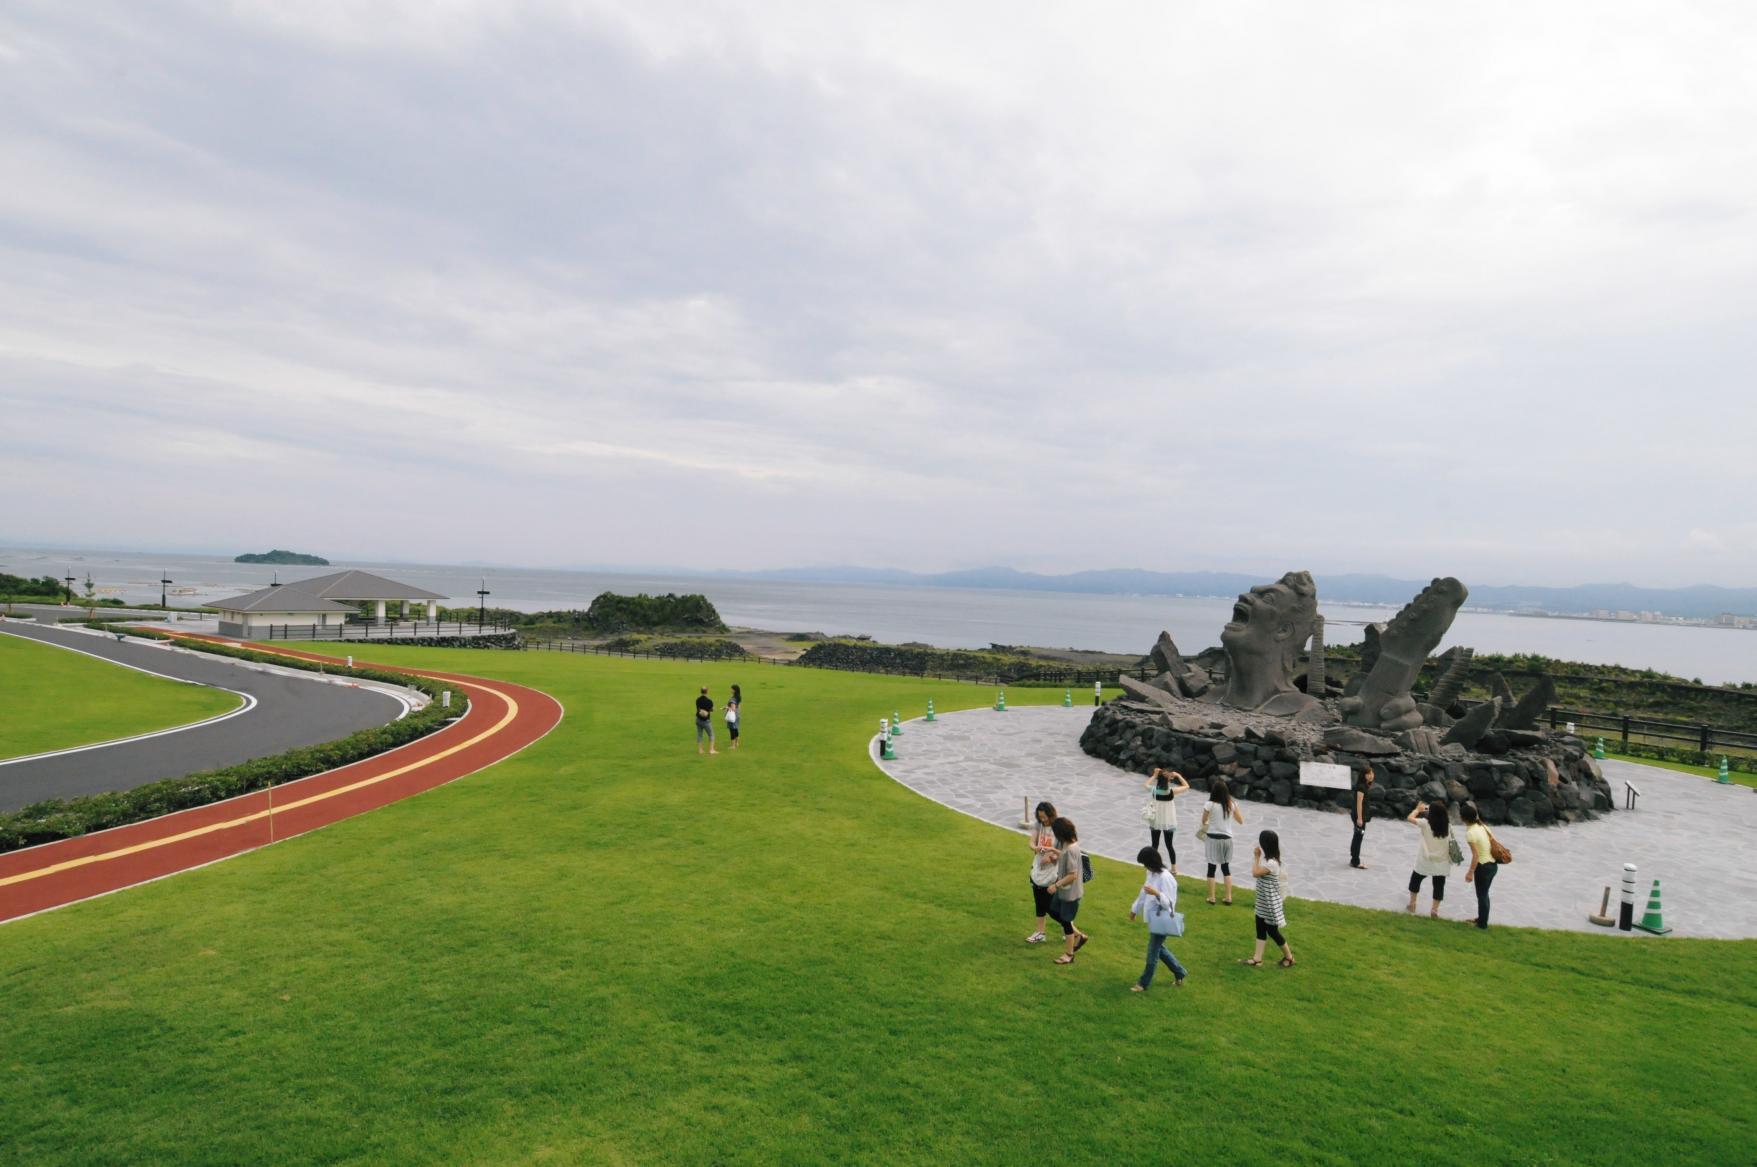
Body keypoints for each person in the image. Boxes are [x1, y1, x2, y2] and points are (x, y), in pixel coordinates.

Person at [1129, 846, 1188, 991]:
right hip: (1154, 919)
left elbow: (1169, 903)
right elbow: (1143, 893)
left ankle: (1143, 983)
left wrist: (1157, 894)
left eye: (1145, 863)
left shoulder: (1166, 878)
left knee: (1152, 952)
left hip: (1162, 918)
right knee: (1159, 949)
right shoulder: (1151, 873)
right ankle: (1179, 972)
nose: (1145, 867)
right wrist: (1134, 909)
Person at [1240, 829, 1295, 968]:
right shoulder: (1270, 861)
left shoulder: (1272, 863)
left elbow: (1255, 873)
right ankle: (1257, 958)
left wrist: (1256, 857)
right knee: (1260, 929)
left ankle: (1289, 957)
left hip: (1270, 904)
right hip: (1263, 902)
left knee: (1273, 931)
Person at [1043, 816, 1088, 965]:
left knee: (1066, 922)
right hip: (1064, 891)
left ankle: (1069, 955)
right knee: (1052, 910)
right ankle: (1079, 935)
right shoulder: (1068, 845)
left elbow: (1072, 875)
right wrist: (1054, 854)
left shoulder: (1070, 850)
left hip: (1070, 893)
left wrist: (1055, 885)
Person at [1405, 799, 1452, 917]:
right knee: (1439, 885)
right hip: (1441, 861)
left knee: (1415, 880)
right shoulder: (1448, 826)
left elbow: (1409, 818)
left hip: (1425, 859)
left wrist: (1417, 810)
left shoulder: (1425, 823)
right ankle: (1434, 910)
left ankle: (1412, 903)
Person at [1201, 779, 1245, 905]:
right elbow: (1240, 820)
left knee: (1211, 869)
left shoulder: (1209, 804)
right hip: (1227, 839)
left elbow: (1204, 821)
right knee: (1226, 868)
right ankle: (1228, 897)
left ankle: (1211, 897)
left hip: (1213, 839)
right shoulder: (1231, 804)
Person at [1143, 766, 1189, 875]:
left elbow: (1145, 785)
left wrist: (1154, 775)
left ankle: (1152, 866)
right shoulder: (1172, 791)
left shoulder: (1154, 790)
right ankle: (1174, 869)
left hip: (1156, 821)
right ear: (1168, 780)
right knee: (1169, 845)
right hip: (1168, 822)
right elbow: (1187, 786)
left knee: (1154, 845)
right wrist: (1178, 775)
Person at [1026, 801, 1059, 944]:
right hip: (1039, 869)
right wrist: (1036, 848)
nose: (1043, 820)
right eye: (1040, 817)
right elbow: (1031, 842)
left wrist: (1052, 858)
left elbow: (1064, 851)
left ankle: (1072, 931)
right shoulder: (1038, 825)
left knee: (1053, 907)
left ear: (1051, 814)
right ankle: (1040, 932)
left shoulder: (1059, 828)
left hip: (1054, 872)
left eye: (1045, 817)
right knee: (1040, 903)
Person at [1461, 802, 1499, 929]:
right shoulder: (1484, 827)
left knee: (1482, 895)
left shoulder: (1470, 833)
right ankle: (1481, 919)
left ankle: (1482, 924)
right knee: (1485, 894)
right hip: (1493, 865)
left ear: (1463, 819)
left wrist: (1470, 872)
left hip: (1483, 867)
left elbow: (1475, 855)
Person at [1349, 765, 1375, 869]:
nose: (1371, 776)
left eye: (1372, 773)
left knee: (1357, 836)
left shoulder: (1364, 785)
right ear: (1363, 775)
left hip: (1361, 816)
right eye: (1368, 774)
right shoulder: (1361, 787)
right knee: (1358, 837)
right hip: (1359, 817)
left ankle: (1353, 859)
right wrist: (1360, 819)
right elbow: (1359, 804)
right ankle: (1356, 861)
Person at [695, 686, 717, 755]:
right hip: (706, 721)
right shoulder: (709, 701)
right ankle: (711, 750)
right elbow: (711, 709)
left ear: (701, 691)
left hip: (698, 719)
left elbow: (698, 708)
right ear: (707, 692)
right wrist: (712, 709)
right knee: (711, 735)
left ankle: (700, 750)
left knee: (699, 735)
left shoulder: (697, 700)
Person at [725, 684, 742, 750]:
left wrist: (726, 707)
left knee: (732, 730)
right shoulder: (738, 697)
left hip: (732, 716)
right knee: (736, 728)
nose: (731, 690)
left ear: (734, 690)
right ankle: (737, 742)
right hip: (737, 715)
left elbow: (733, 708)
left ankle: (733, 745)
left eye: (731, 689)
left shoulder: (733, 699)